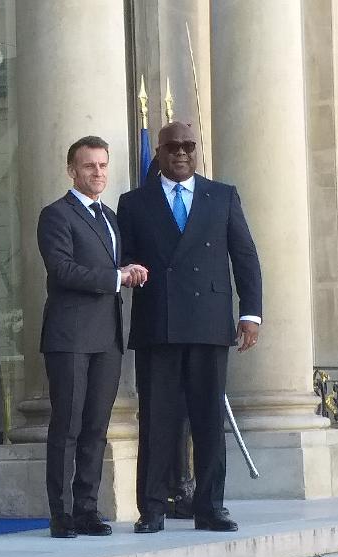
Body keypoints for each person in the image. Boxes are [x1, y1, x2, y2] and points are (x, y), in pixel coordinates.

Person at [117, 120, 262, 533]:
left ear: (196, 151)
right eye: (172, 147)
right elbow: (123, 257)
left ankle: (210, 507)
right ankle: (152, 509)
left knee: (208, 419)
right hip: (158, 323)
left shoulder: (222, 196)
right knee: (156, 420)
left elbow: (245, 256)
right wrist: (128, 270)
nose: (181, 153)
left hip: (208, 322)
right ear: (159, 153)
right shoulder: (134, 202)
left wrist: (251, 313)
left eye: (188, 146)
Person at [35, 136, 146, 538]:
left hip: (107, 337)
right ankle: (61, 512)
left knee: (96, 427)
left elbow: (112, 266)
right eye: (89, 166)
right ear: (72, 171)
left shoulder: (109, 217)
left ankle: (87, 508)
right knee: (67, 425)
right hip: (70, 336)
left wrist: (130, 271)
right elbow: (62, 270)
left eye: (102, 165)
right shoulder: (56, 215)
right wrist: (117, 277)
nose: (98, 172)